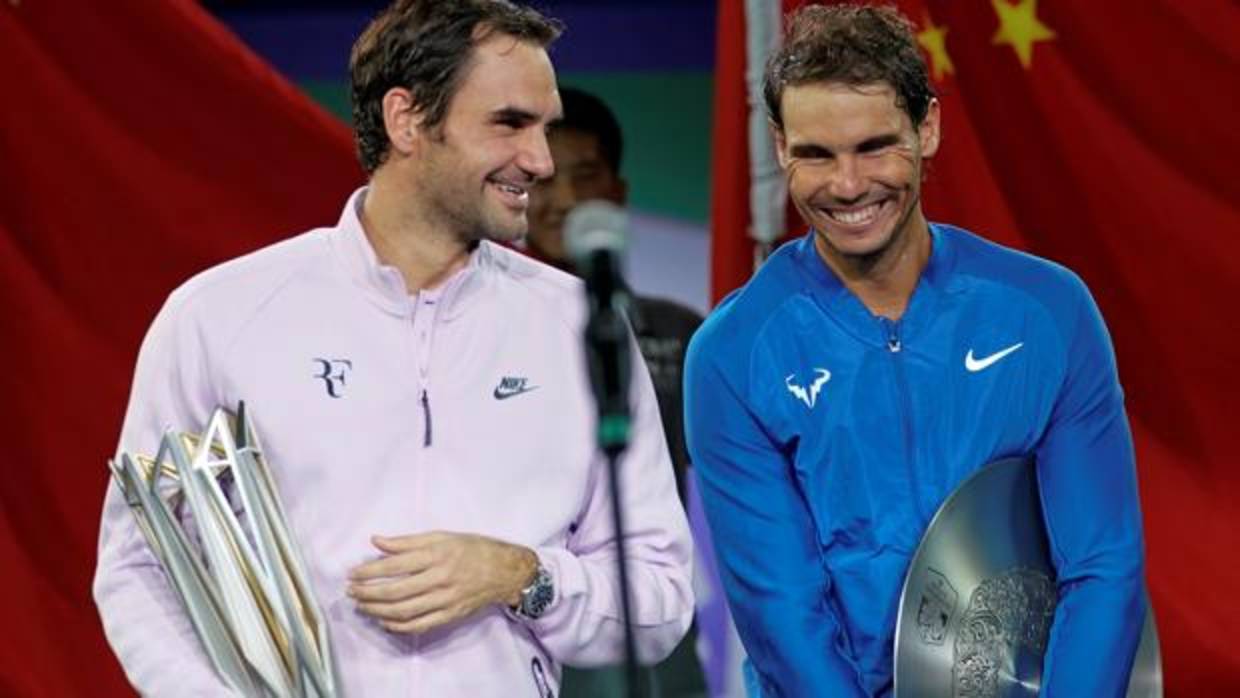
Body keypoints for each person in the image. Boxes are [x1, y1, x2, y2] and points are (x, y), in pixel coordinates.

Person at [93, 1, 694, 696]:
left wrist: (520, 574)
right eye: (509, 124)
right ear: (406, 119)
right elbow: (141, 566)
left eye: (544, 128)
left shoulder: (577, 327)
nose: (539, 160)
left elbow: (660, 593)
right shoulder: (219, 315)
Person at [683, 5, 1146, 697]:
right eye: (816, 154)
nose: (847, 185)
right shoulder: (733, 353)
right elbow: (782, 617)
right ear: (779, 146)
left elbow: (1103, 564)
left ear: (927, 127)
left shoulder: (1048, 310)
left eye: (874, 146)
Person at [525, 86, 708, 697]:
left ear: (619, 193)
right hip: (531, 626)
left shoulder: (682, 334)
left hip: (657, 634)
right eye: (548, 179)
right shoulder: (482, 334)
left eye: (587, 175)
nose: (568, 200)